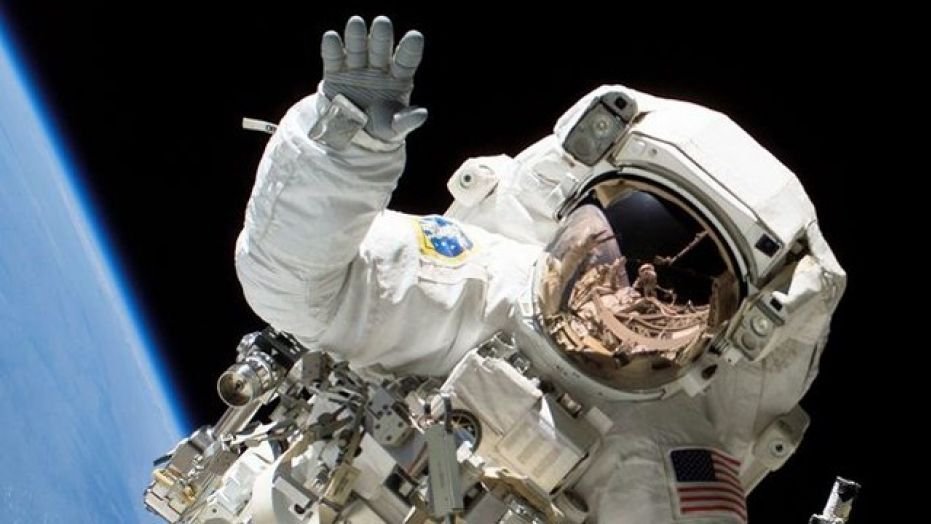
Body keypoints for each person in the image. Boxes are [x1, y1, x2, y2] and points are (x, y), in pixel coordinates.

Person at [234, 15, 845, 523]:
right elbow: (295, 286)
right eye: (621, 239)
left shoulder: (662, 456)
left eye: (681, 291)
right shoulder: (472, 283)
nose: (637, 283)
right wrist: (341, 156)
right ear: (569, 220)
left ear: (720, 339)